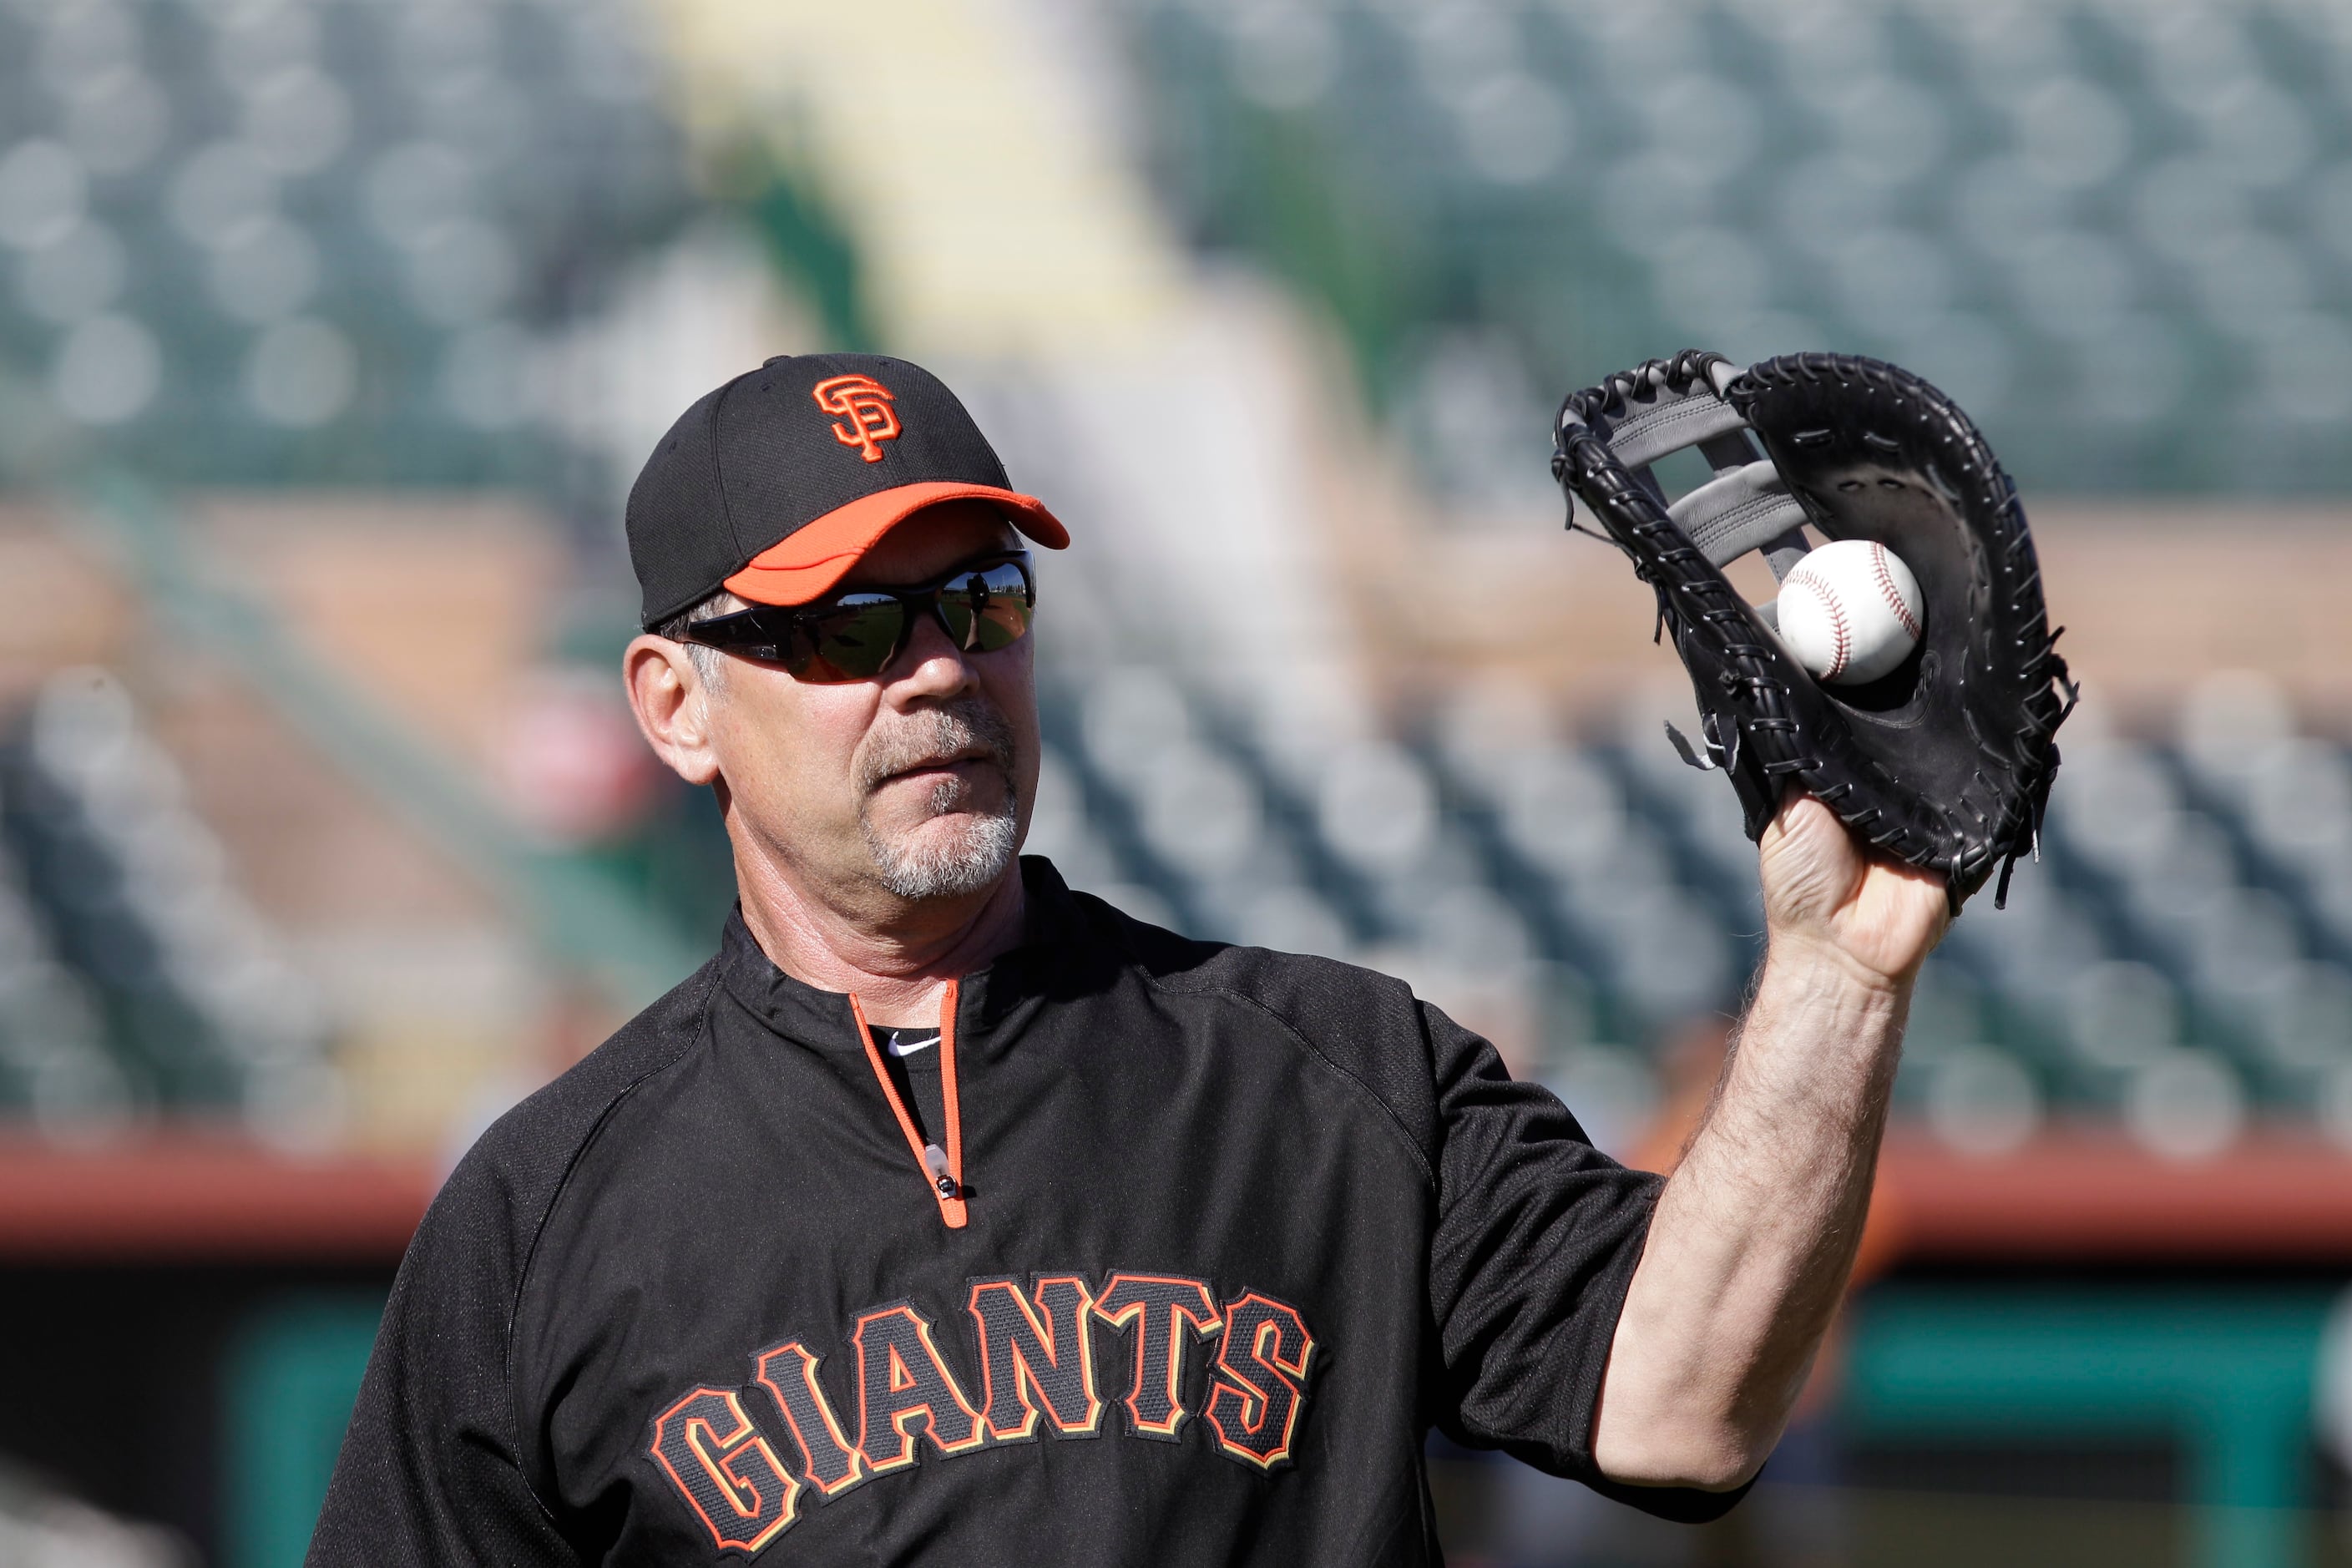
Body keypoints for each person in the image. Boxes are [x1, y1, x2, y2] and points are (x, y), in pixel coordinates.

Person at [307, 354, 1947, 1565]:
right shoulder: (543, 1215)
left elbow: (1687, 1397)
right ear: (675, 704)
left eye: (981, 602)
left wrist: (1837, 975)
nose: (939, 671)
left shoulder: (1338, 1079)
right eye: (852, 629)